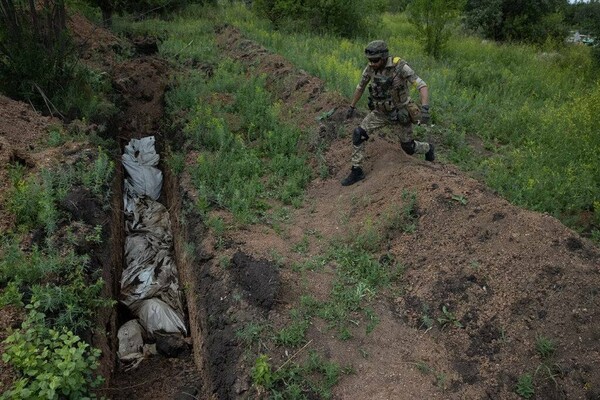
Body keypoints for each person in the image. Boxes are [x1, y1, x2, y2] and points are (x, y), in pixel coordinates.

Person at [341, 40, 434, 186]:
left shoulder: (400, 67)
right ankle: (356, 171)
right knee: (358, 134)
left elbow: (421, 85)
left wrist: (425, 107)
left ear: (384, 57)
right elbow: (361, 87)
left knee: (408, 148)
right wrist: (351, 107)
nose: (372, 63)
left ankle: (428, 148)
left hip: (400, 113)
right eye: (370, 60)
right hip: (380, 112)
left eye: (375, 60)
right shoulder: (370, 68)